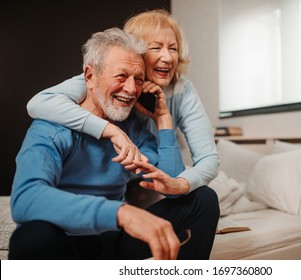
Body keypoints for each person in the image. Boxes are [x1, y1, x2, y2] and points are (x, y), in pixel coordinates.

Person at [9, 27, 219, 260]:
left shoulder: (133, 130)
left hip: (115, 241)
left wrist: (163, 120)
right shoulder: (50, 129)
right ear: (90, 77)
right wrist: (121, 213)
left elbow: (170, 187)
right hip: (66, 242)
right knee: (29, 237)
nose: (131, 89)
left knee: (203, 200)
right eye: (121, 76)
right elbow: (25, 200)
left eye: (138, 80)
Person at [26, 9, 219, 196]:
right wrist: (111, 130)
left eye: (173, 48)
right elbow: (38, 103)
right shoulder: (100, 79)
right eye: (156, 47)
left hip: (157, 173)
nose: (167, 58)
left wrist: (181, 184)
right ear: (137, 52)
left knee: (204, 197)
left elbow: (208, 159)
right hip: (120, 181)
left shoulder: (182, 91)